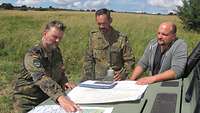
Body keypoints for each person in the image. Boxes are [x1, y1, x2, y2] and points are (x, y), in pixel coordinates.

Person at [13, 20, 79, 113]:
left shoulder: (56, 51)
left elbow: (60, 71)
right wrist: (61, 98)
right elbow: (41, 78)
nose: (58, 41)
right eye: (54, 37)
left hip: (47, 99)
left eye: (60, 38)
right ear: (45, 33)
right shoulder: (33, 54)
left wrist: (65, 82)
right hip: (28, 101)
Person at [81, 8, 135, 81]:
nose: (101, 27)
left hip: (116, 80)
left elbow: (130, 60)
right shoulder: (93, 37)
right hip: (97, 80)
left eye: (104, 23)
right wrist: (88, 80)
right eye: (99, 24)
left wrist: (123, 74)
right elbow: (88, 60)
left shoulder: (121, 38)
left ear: (110, 21)